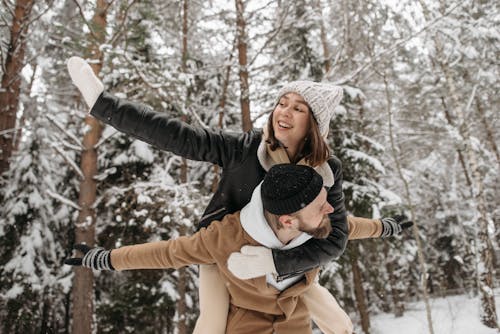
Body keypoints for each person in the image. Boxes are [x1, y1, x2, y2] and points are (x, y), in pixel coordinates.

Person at [67, 56, 412, 333]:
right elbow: (177, 136)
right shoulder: (245, 149)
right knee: (212, 325)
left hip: (291, 261)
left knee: (339, 324)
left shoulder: (325, 171)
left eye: (298, 108)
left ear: (314, 125)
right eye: (281, 102)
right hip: (227, 252)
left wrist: (278, 263)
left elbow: (338, 232)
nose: (283, 112)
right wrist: (104, 105)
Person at [66, 164, 354, 333]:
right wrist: (105, 259)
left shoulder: (317, 227)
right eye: (320, 205)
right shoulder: (226, 237)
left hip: (295, 322)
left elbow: (353, 227)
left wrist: (384, 227)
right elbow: (168, 253)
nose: (330, 209)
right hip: (246, 323)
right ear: (288, 220)